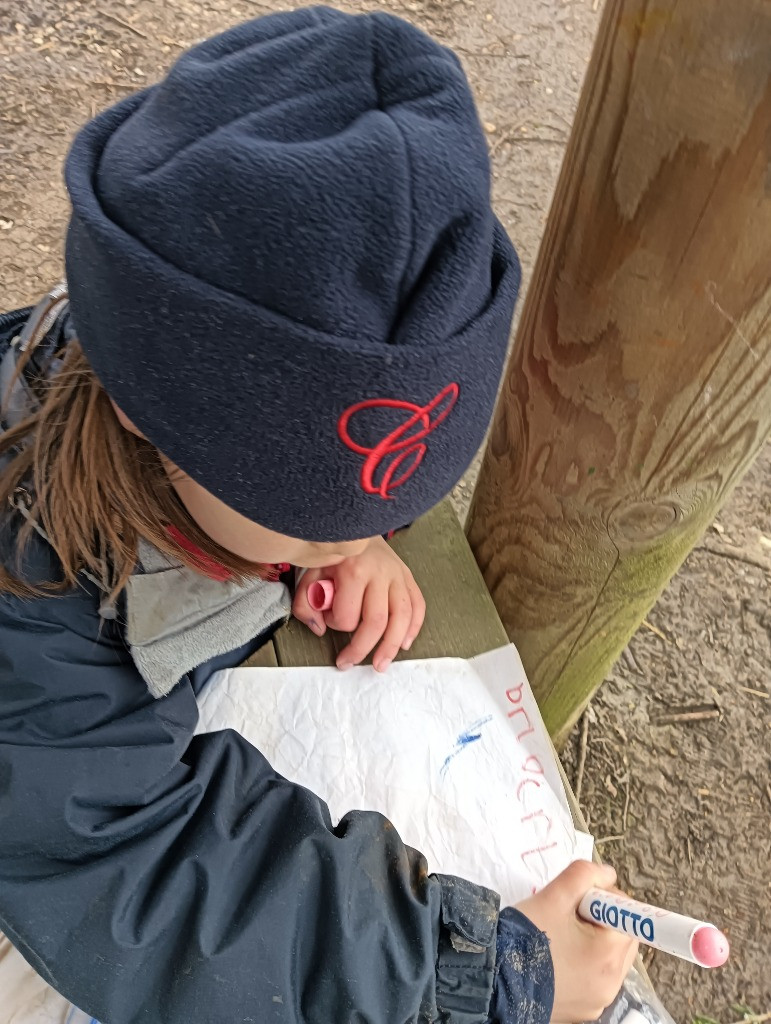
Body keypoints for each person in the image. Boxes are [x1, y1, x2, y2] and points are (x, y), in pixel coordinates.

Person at [0, 8, 637, 1023]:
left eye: (383, 508)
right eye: (309, 517)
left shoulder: (174, 403)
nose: (348, 542)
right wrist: (488, 975)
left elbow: (274, 458)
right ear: (146, 411)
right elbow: (143, 883)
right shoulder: (29, 609)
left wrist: (328, 548)